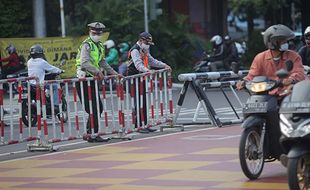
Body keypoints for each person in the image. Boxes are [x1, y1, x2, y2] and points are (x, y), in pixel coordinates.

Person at [236, 24, 305, 165]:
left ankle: (288, 148)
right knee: (250, 108)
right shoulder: (260, 58)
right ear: (272, 42)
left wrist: (289, 80)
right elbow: (252, 75)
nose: (286, 43)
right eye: (283, 40)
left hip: (286, 95)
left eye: (287, 40)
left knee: (288, 118)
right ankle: (256, 140)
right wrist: (243, 81)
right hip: (265, 95)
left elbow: (299, 74)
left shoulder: (293, 56)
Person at [76, 22, 118, 143]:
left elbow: (103, 62)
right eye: (95, 33)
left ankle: (91, 133)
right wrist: (97, 71)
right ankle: (92, 134)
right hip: (84, 80)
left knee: (97, 108)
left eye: (99, 33)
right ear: (90, 32)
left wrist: (114, 73)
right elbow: (84, 62)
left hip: (92, 81)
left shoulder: (99, 45)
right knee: (93, 108)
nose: (97, 35)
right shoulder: (87, 45)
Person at [127, 31, 171, 133]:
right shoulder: (135, 50)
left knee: (143, 102)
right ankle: (138, 126)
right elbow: (138, 65)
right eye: (146, 43)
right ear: (141, 40)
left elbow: (152, 61)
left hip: (141, 78)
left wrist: (164, 65)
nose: (148, 45)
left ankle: (144, 124)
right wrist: (148, 70)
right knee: (138, 102)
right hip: (133, 79)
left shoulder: (144, 49)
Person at [27, 44, 63, 108]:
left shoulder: (29, 62)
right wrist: (60, 70)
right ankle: (56, 105)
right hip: (39, 84)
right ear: (40, 53)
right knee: (56, 86)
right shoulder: (42, 62)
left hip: (31, 84)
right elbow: (52, 69)